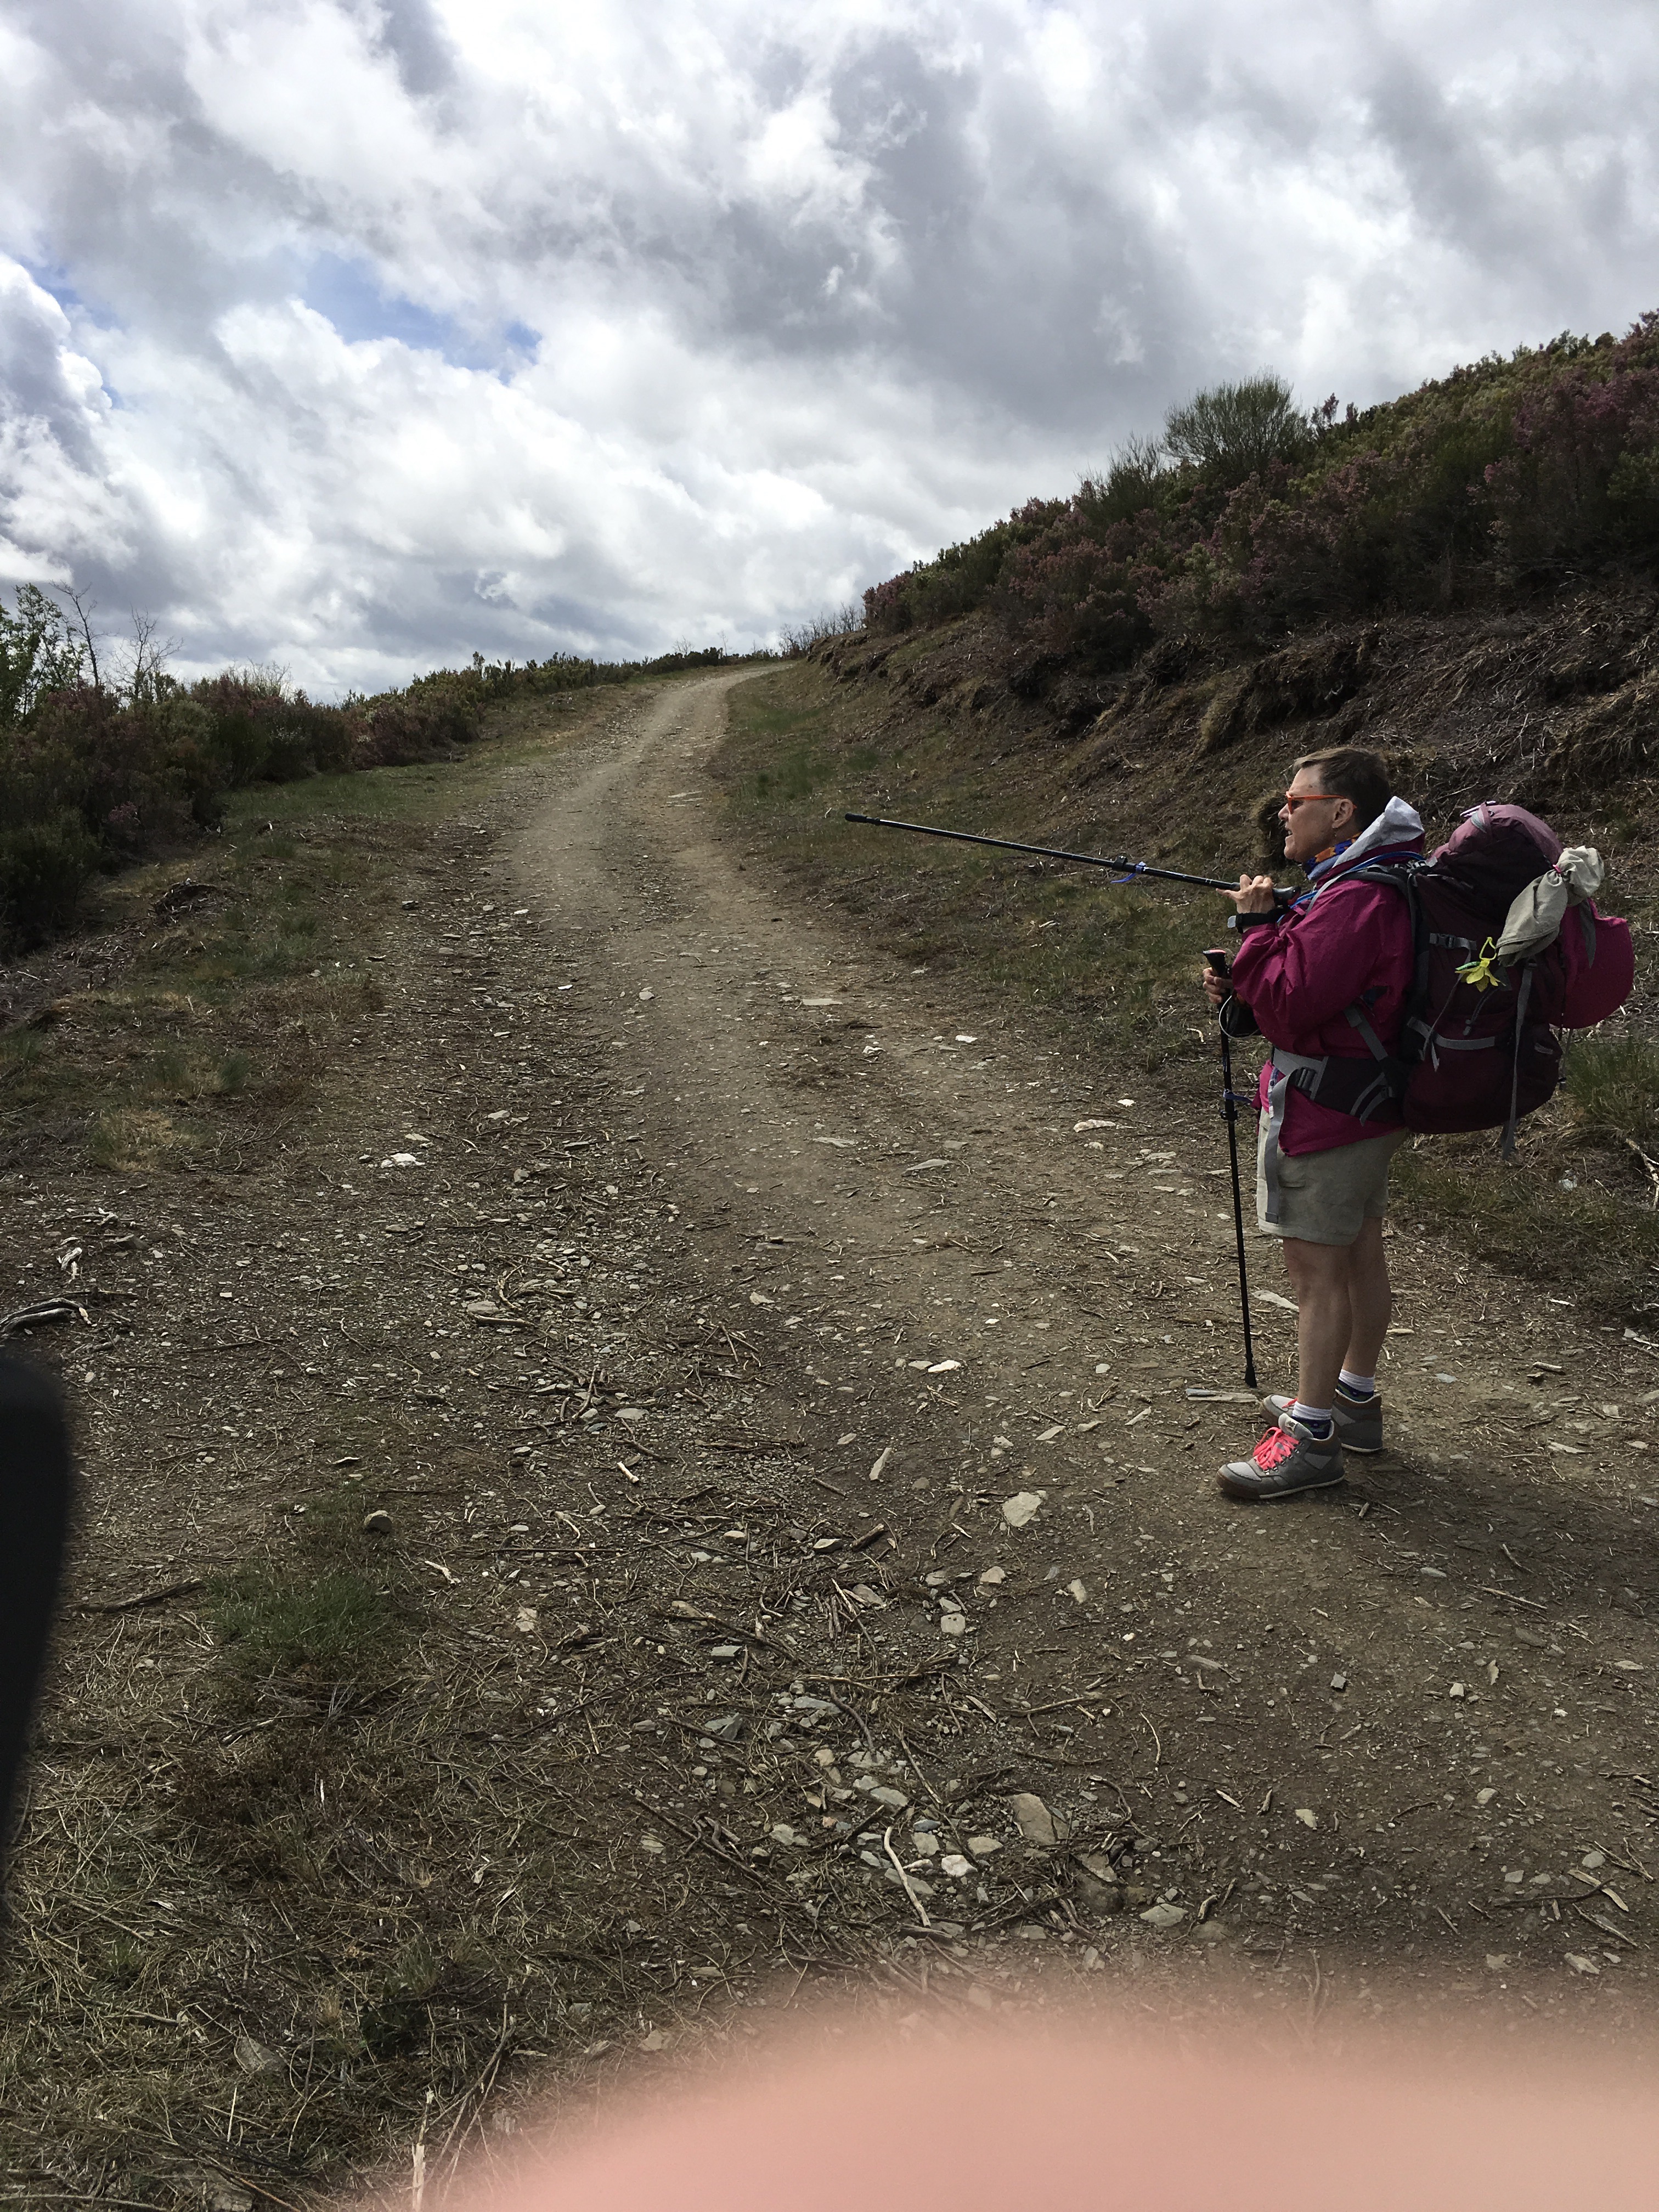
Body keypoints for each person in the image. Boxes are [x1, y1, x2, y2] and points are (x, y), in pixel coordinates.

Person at [1201, 746, 1424, 1502]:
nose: (1284, 811)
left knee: (1315, 1276)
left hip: (1327, 1108)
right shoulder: (1376, 878)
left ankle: (1312, 1439)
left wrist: (1256, 929)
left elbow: (1293, 1001)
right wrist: (1249, 972)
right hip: (1369, 1100)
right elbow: (1311, 988)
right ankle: (1352, 1398)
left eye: (1298, 801)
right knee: (1359, 1252)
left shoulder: (1357, 896)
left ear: (1343, 812)